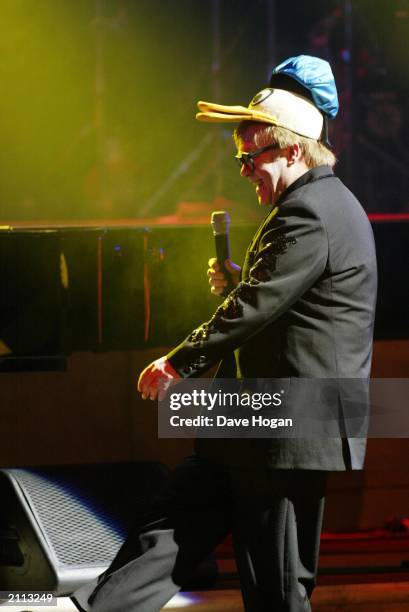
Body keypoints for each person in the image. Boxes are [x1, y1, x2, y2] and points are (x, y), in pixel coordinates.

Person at [72, 55, 377, 612]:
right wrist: (244, 282)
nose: (242, 170)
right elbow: (279, 299)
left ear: (290, 149)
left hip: (288, 425)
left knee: (277, 586)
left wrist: (177, 363)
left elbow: (257, 306)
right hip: (253, 420)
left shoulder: (311, 211)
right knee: (166, 531)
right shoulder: (312, 206)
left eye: (250, 157)